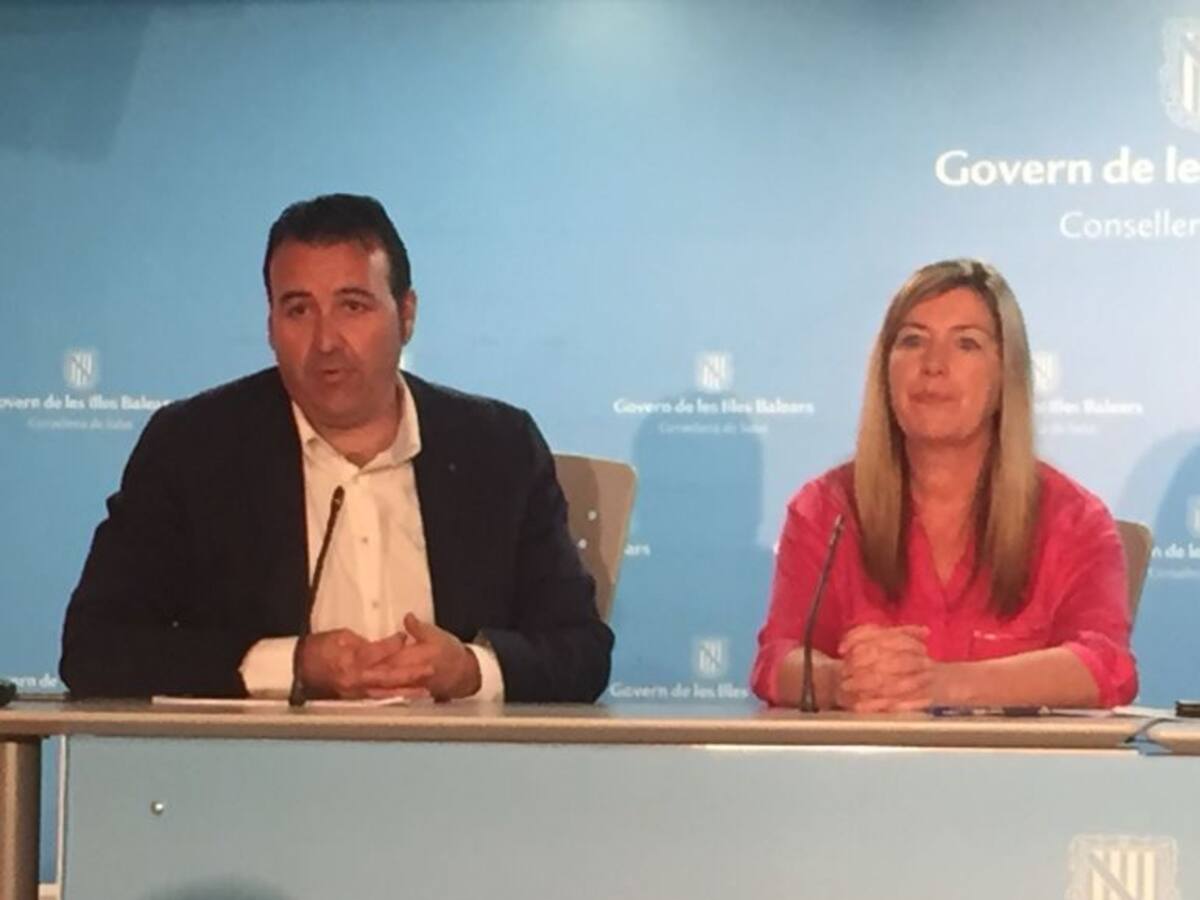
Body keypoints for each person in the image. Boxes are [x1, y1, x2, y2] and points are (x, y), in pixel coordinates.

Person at [61, 193, 612, 703]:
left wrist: (471, 670)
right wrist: (291, 664)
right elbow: (95, 647)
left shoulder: (499, 449)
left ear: (407, 315)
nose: (325, 341)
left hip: (459, 766)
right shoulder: (194, 448)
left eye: (353, 306)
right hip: (259, 768)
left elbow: (581, 652)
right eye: (298, 310)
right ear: (271, 325)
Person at [751, 259, 1137, 711]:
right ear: (885, 367)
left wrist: (937, 683)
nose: (933, 365)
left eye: (966, 344)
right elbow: (777, 661)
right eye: (912, 340)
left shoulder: (1073, 520)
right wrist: (841, 682)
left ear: (1005, 373)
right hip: (864, 759)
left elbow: (1105, 666)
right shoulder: (825, 509)